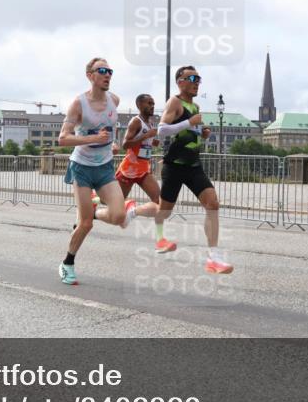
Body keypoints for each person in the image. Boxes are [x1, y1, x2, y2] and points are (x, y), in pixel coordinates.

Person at [57, 58, 157, 285]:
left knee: (119, 216)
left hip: (104, 167)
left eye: (110, 71)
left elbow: (110, 129)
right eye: (102, 70)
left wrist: (111, 143)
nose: (107, 74)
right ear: (90, 75)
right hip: (82, 167)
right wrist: (94, 138)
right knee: (85, 225)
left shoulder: (114, 100)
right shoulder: (79, 104)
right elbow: (63, 138)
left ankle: (93, 212)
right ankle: (67, 263)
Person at [155, 65, 233, 274]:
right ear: (180, 81)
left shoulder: (195, 106)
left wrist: (202, 132)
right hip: (174, 166)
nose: (197, 82)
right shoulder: (174, 102)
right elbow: (162, 130)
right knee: (164, 211)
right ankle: (135, 211)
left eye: (199, 79)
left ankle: (213, 257)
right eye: (192, 78)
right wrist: (189, 122)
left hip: (193, 165)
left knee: (212, 203)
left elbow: (191, 131)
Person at [115, 93, 177, 253]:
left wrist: (152, 141)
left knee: (159, 202)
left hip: (143, 170)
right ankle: (95, 199)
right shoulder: (136, 121)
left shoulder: (150, 123)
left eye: (153, 103)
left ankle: (160, 240)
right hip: (128, 170)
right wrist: (146, 136)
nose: (152, 106)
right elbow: (125, 144)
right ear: (140, 105)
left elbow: (144, 143)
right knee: (114, 204)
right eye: (149, 103)